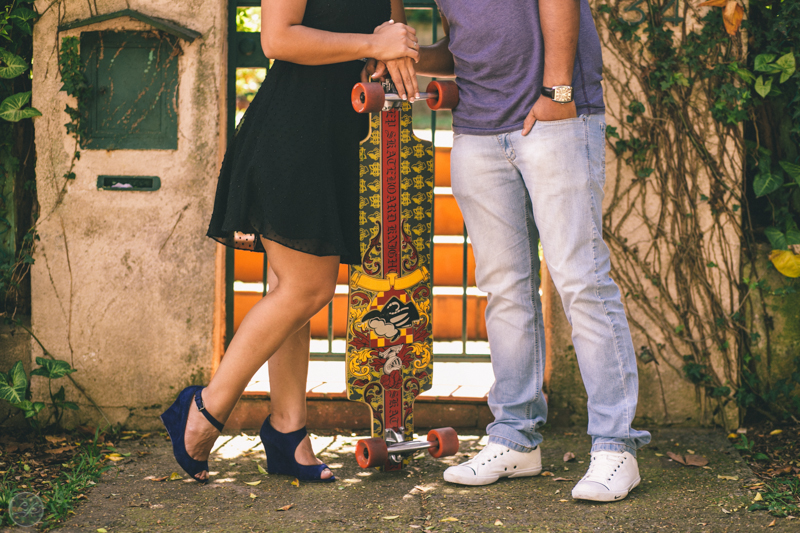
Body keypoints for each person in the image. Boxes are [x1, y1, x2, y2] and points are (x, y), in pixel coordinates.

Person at [373, 0, 651, 501]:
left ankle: (616, 447)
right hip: (477, 128)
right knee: (504, 288)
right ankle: (515, 438)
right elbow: (469, 42)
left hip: (551, 116)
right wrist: (411, 54)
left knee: (580, 279)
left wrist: (558, 91)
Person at [160, 0, 421, 484]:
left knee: (295, 288)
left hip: (344, 134)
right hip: (295, 130)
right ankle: (202, 409)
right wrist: (371, 43)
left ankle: (287, 431)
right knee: (308, 288)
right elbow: (277, 38)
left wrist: (391, 49)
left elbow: (389, 32)